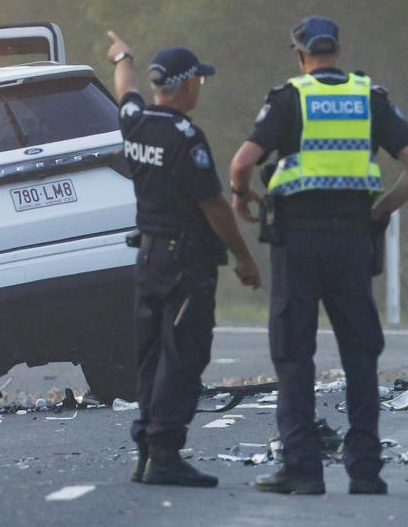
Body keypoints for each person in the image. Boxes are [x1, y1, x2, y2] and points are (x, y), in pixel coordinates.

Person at [228, 16, 408, 496]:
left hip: (296, 243)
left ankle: (302, 469)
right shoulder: (369, 98)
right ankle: (365, 470)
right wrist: (380, 210)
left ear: (300, 55)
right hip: (352, 243)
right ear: (337, 50)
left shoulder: (289, 98)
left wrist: (240, 196)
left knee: (294, 354)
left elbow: (240, 163)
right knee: (360, 353)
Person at [107, 31, 263, 488]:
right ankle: (166, 454)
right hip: (184, 266)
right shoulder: (184, 137)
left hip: (150, 260)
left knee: (151, 357)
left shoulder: (135, 122)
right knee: (182, 358)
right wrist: (244, 258)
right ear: (187, 84)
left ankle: (146, 451)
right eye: (199, 80)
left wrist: (123, 56)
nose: (200, 88)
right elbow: (214, 206)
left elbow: (124, 88)